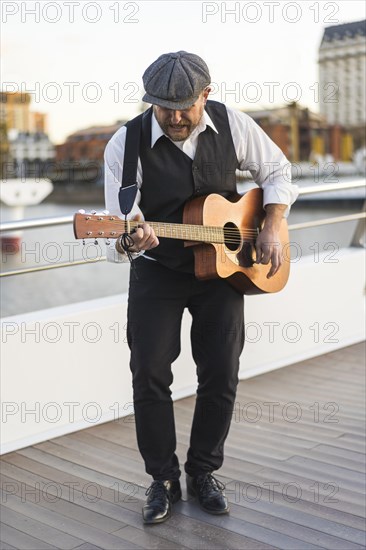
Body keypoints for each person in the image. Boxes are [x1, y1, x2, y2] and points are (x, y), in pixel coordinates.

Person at [104, 51, 298, 524]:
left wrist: (271, 222)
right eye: (162, 107)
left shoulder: (232, 124)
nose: (173, 117)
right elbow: (116, 236)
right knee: (149, 374)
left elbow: (277, 171)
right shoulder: (124, 146)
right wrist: (132, 240)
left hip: (225, 273)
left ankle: (204, 471)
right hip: (157, 270)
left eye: (184, 106)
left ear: (206, 95)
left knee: (221, 374)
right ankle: (162, 479)